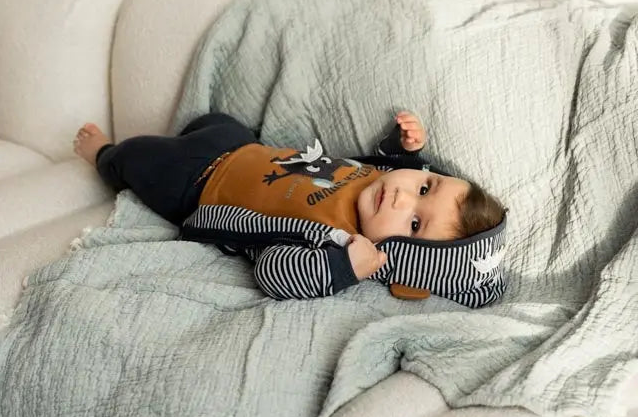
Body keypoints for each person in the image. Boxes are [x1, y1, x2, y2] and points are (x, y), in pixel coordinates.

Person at [73, 111, 507, 306]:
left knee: (140, 156)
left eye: (414, 223)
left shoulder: (339, 242)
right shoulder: (382, 185)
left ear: (397, 261)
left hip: (197, 187)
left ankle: (105, 156)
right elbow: (389, 168)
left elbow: (273, 271)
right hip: (242, 148)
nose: (402, 196)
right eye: (426, 187)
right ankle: (193, 136)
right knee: (215, 120)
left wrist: (345, 268)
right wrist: (404, 150)